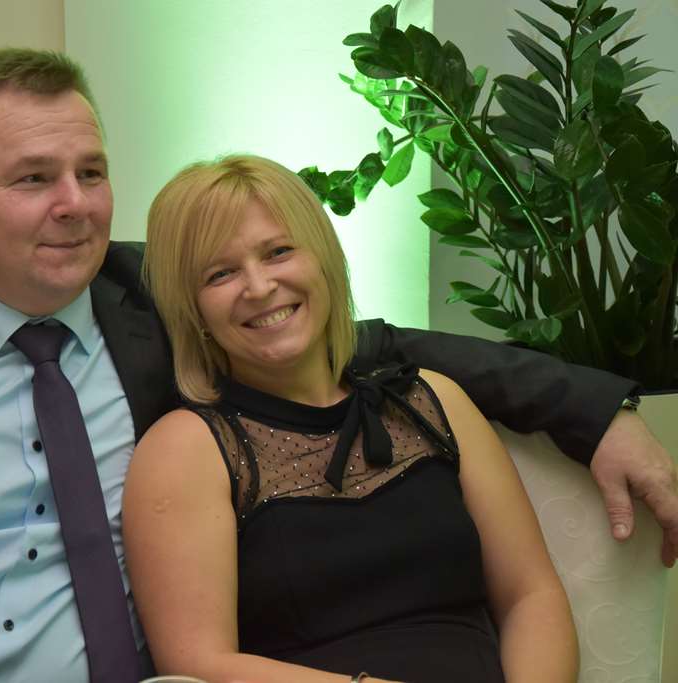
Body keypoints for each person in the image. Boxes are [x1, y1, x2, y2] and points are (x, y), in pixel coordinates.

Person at [0, 47, 675, 683]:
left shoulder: (157, 298)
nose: (75, 205)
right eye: (33, 178)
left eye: (90, 171)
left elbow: (368, 345)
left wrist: (596, 410)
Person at [126, 154, 578, 681]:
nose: (259, 286)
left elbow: (530, 595)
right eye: (220, 273)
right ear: (192, 309)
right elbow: (195, 662)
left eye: (278, 252)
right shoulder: (184, 449)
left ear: (323, 259)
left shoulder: (435, 400)